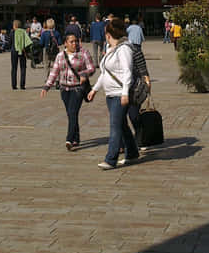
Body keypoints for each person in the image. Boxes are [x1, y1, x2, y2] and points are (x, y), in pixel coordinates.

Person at [87, 17, 139, 170]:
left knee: (115, 126)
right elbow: (104, 73)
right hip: (110, 94)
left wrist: (124, 93)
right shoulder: (110, 50)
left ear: (109, 34)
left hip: (119, 94)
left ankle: (111, 159)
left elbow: (127, 72)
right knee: (122, 125)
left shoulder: (124, 49)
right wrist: (94, 89)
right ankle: (132, 153)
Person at [40, 33, 96, 150]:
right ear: (65, 43)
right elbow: (54, 72)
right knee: (71, 114)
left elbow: (92, 67)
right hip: (64, 89)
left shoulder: (83, 53)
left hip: (78, 88)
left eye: (75, 41)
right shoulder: (60, 55)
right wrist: (47, 86)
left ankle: (69, 139)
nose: (74, 44)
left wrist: (84, 74)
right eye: (71, 42)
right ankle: (76, 137)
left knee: (72, 112)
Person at [10, 19, 31, 90]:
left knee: (14, 68)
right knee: (23, 68)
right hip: (22, 50)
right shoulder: (23, 32)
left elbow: (9, 42)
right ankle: (22, 85)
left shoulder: (12, 32)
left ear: (15, 25)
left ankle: (14, 85)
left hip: (14, 51)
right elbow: (28, 41)